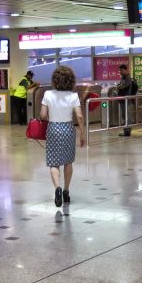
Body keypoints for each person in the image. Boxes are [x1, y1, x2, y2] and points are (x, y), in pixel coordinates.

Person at [41, 66, 86, 207]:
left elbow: (42, 115)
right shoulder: (73, 96)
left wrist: (51, 117)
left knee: (54, 162)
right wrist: (82, 134)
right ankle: (66, 191)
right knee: (68, 161)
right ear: (71, 80)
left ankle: (57, 188)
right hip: (67, 128)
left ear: (54, 80)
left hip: (53, 127)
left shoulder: (48, 94)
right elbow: (79, 116)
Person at [114, 63, 137, 137]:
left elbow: (124, 85)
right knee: (124, 116)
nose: (120, 72)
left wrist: (118, 87)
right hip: (123, 100)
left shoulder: (127, 77)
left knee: (127, 116)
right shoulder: (123, 77)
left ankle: (127, 132)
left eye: (121, 70)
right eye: (119, 70)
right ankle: (126, 131)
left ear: (125, 70)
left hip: (127, 100)